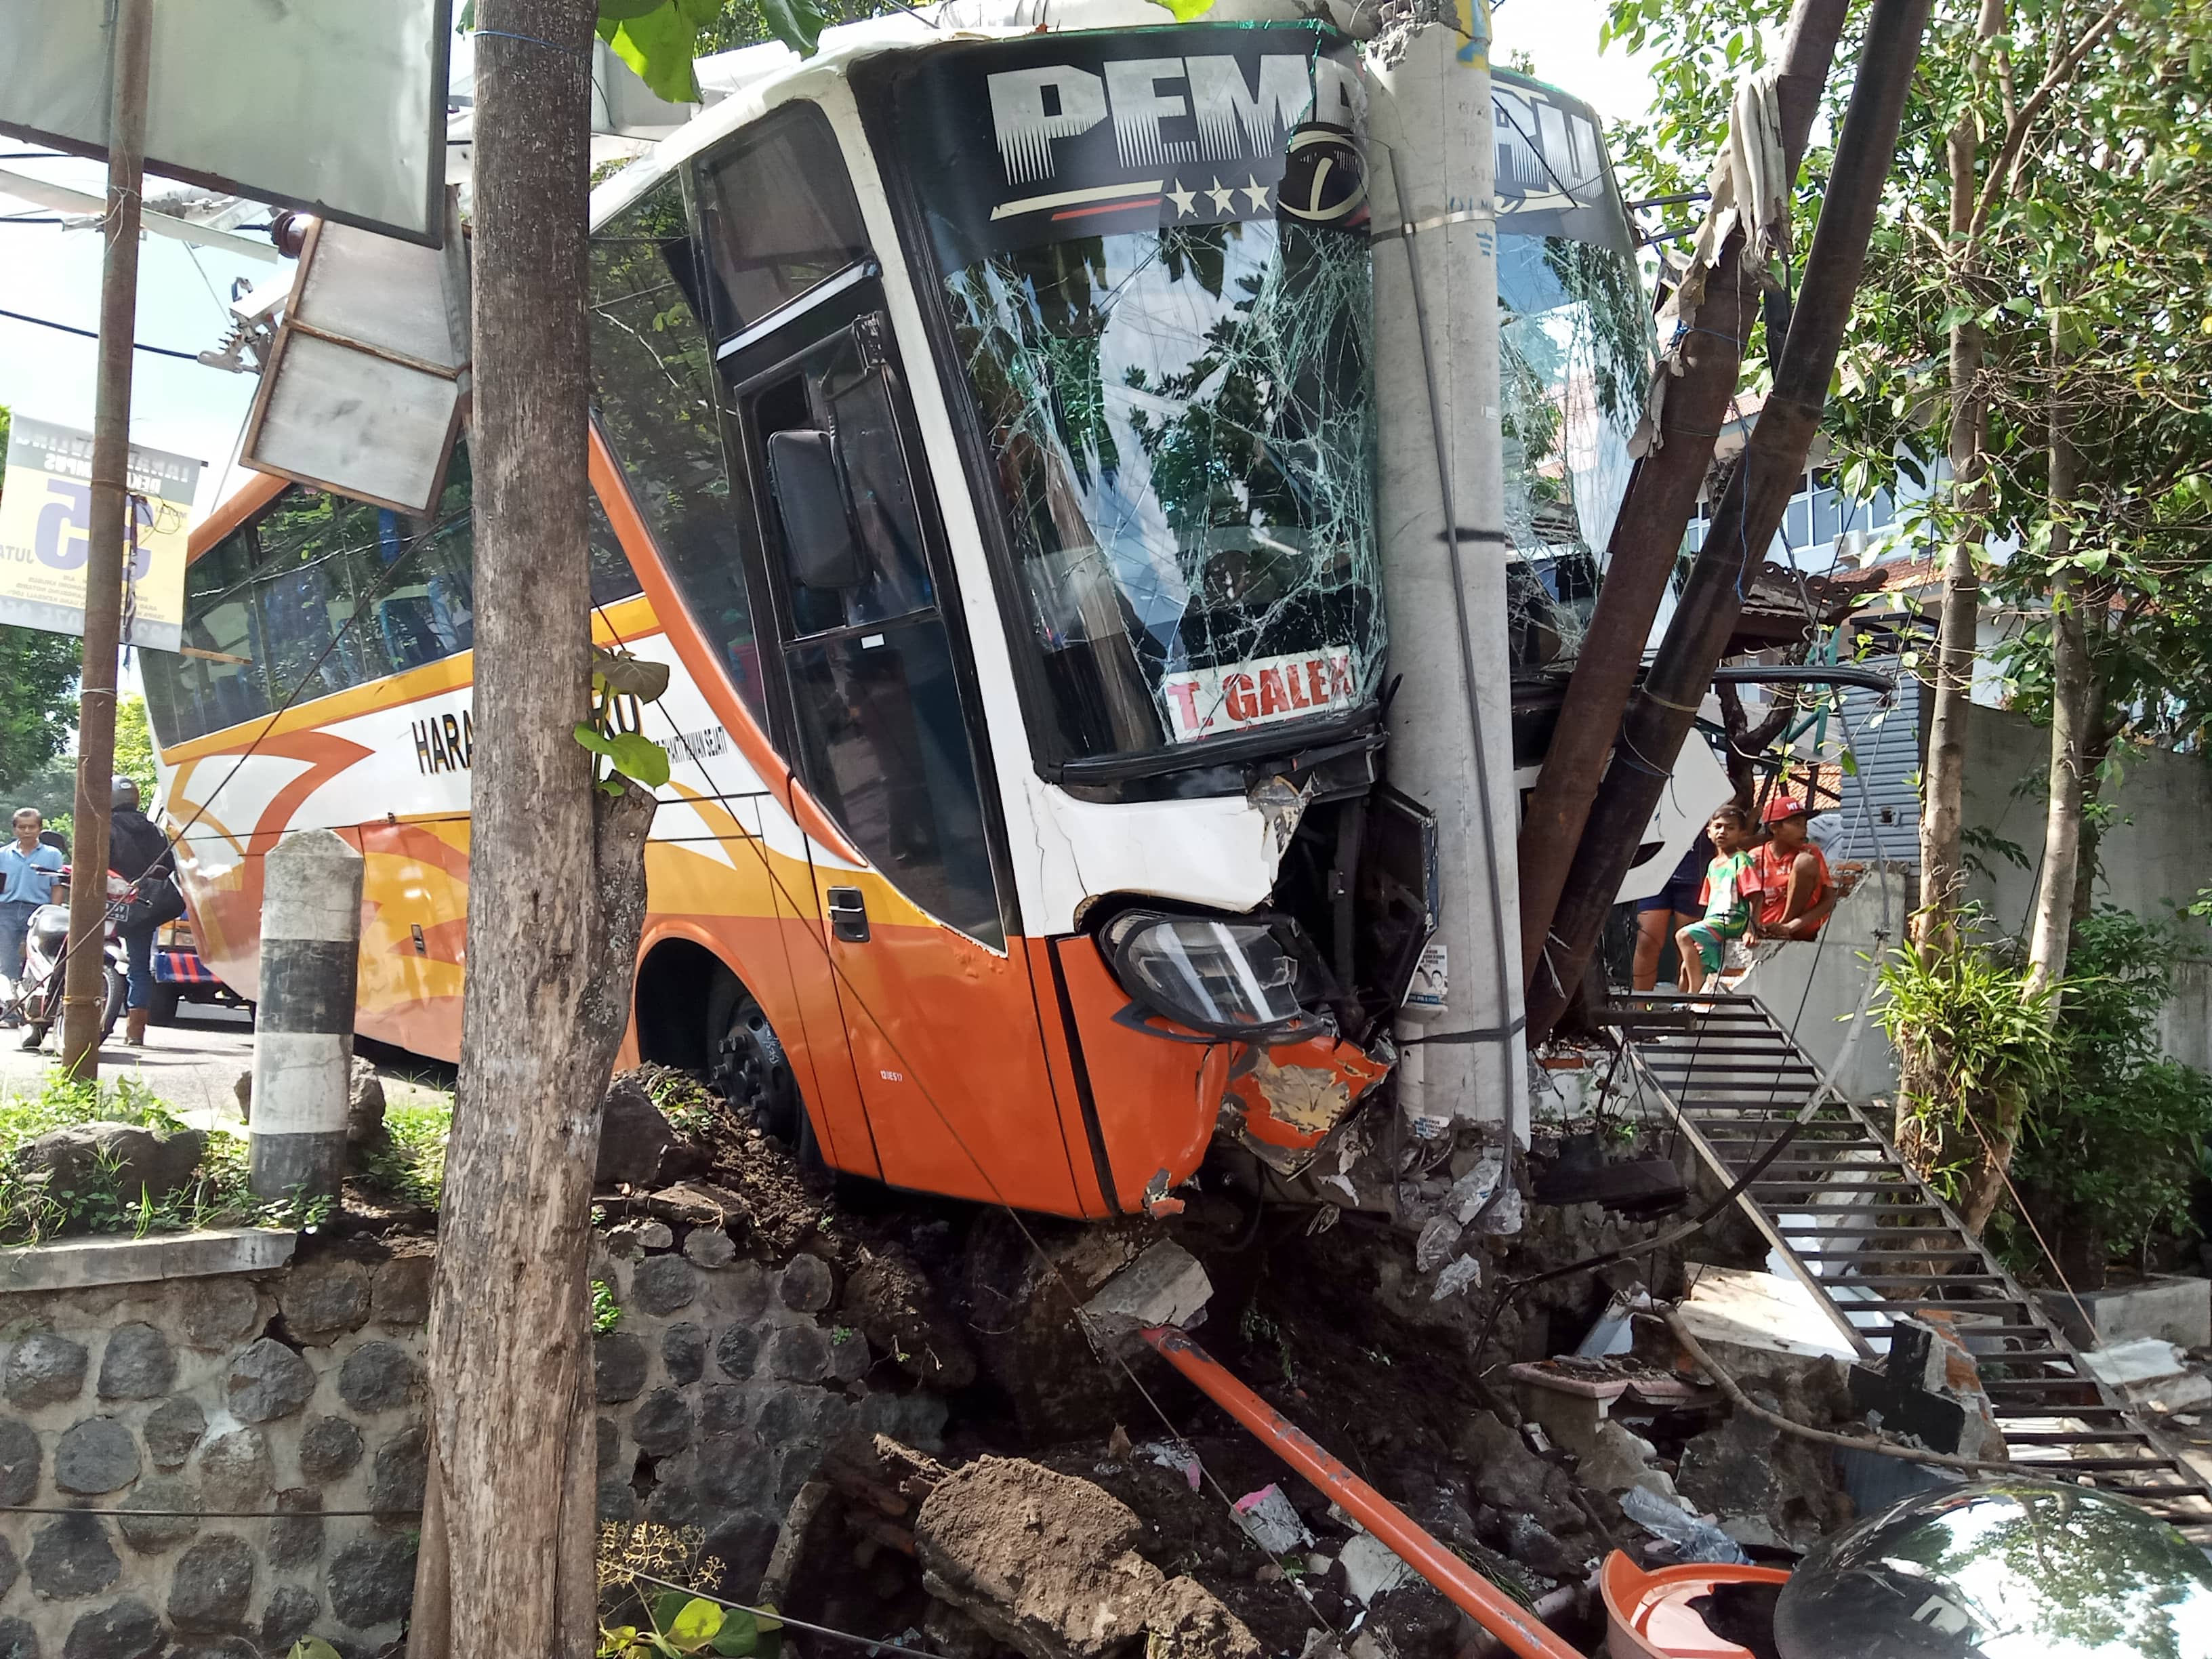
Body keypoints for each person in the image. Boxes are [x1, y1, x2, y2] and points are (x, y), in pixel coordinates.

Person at [106, 779, 177, 1047]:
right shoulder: (156, 832)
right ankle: (135, 1032)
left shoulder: (104, 827)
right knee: (139, 967)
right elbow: (168, 866)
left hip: (106, 903)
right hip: (143, 906)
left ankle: (84, 1013)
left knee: (87, 957)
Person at [1676, 804, 1757, 998]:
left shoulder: (1741, 859)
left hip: (1732, 920)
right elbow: (1709, 902)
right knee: (1685, 967)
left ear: (1742, 834)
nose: (1723, 832)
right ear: (1709, 832)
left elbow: (1755, 894)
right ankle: (1681, 1003)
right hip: (1715, 921)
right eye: (1718, 827)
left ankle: (1695, 993)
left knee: (1683, 936)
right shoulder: (1713, 865)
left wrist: (1750, 928)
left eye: (1730, 828)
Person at [1, 807, 66, 1023]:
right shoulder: (3, 854)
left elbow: (57, 886)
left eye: (32, 827)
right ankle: (10, 1011)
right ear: (15, 829)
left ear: (40, 828)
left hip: (38, 911)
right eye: (22, 827)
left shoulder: (52, 855)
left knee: (35, 962)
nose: (27, 831)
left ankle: (32, 1009)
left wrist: (54, 912)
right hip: (7, 911)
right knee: (7, 962)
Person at [1633, 827, 1717, 992]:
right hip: (1654, 871)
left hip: (1693, 874)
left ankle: (1683, 1003)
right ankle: (1641, 1007)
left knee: (1687, 945)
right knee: (1647, 942)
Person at [1748, 794, 1837, 941]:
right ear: (1774, 827)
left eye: (1805, 825)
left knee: (1805, 861)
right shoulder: (1755, 856)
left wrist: (1789, 926)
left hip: (1800, 927)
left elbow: (1828, 900)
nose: (1804, 830)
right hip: (1764, 928)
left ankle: (1783, 924)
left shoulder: (1810, 852)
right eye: (1797, 824)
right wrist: (1752, 929)